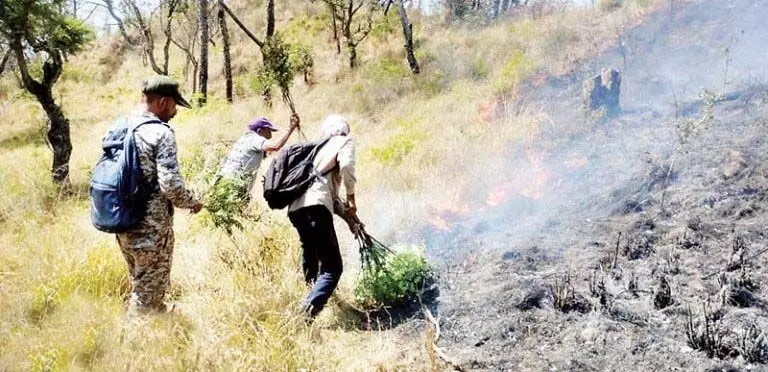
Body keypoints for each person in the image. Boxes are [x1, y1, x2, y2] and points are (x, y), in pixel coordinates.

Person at [105, 76, 203, 315]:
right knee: (147, 298)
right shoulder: (160, 133)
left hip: (122, 223)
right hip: (151, 231)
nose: (175, 111)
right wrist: (193, 201)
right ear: (162, 102)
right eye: (174, 105)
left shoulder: (120, 126)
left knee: (140, 285)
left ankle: (147, 336)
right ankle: (138, 346)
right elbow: (170, 185)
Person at [288, 114, 357, 318]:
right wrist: (352, 197)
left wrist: (351, 221)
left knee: (310, 253)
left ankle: (309, 293)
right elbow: (346, 166)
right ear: (342, 130)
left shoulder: (315, 150)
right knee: (333, 268)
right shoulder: (343, 141)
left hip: (295, 209)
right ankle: (305, 315)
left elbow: (331, 198)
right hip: (317, 208)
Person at [219, 115, 300, 193]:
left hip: (228, 179)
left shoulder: (245, 138)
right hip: (235, 182)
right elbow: (275, 146)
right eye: (268, 131)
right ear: (260, 131)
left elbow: (268, 152)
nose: (270, 136)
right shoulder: (255, 139)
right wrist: (291, 128)